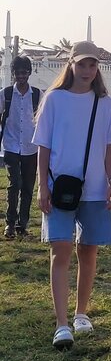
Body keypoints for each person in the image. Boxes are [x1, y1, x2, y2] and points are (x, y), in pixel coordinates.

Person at [33, 41, 111, 350]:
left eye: (92, 65)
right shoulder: (54, 99)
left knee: (88, 251)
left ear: (97, 68)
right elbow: (42, 146)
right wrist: (42, 186)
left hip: (95, 188)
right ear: (70, 65)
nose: (87, 70)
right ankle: (61, 323)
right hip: (60, 187)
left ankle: (81, 312)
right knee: (61, 250)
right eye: (82, 64)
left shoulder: (105, 103)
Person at [0, 55, 41, 238]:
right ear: (13, 74)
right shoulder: (6, 94)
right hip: (10, 145)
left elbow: (44, 120)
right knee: (13, 184)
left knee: (27, 187)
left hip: (31, 147)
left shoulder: (38, 95)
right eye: (18, 73)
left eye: (24, 73)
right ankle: (9, 224)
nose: (21, 76)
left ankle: (22, 225)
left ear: (29, 73)